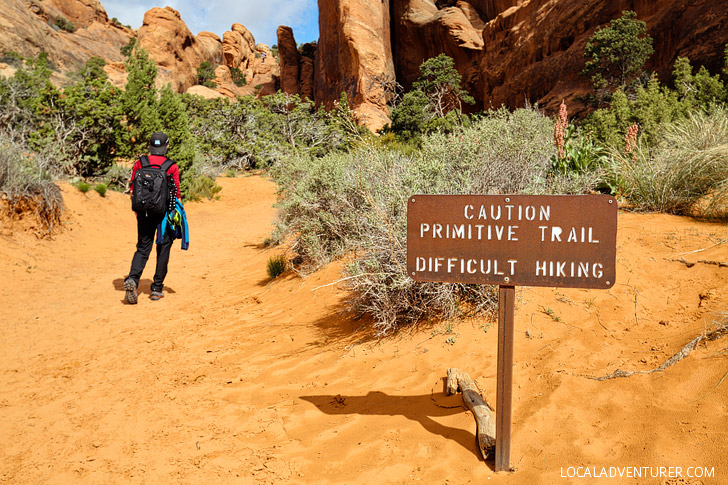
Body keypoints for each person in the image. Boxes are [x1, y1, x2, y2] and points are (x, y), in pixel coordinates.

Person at [123, 132, 181, 304]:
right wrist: (177, 216)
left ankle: (133, 279)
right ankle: (156, 289)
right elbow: (176, 194)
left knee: (142, 248)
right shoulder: (171, 166)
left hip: (143, 212)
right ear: (167, 146)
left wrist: (137, 211)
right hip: (164, 214)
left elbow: (133, 189)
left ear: (150, 146)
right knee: (163, 249)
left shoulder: (140, 163)